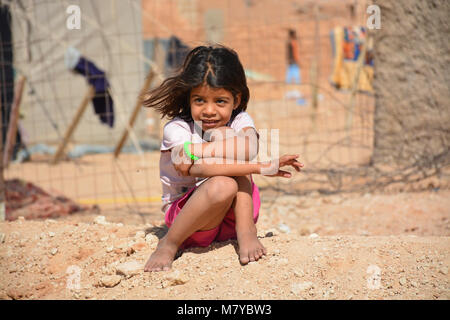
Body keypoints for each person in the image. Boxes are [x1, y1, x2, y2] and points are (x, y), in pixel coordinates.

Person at [142, 45, 303, 272]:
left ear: (236, 100)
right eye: (199, 100)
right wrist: (260, 168)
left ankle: (246, 232)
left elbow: (248, 148)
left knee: (226, 137)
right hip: (190, 223)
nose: (209, 110)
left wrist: (197, 150)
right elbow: (190, 169)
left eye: (220, 101)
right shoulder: (177, 129)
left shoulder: (239, 120)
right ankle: (168, 244)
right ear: (188, 98)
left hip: (232, 219)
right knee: (223, 184)